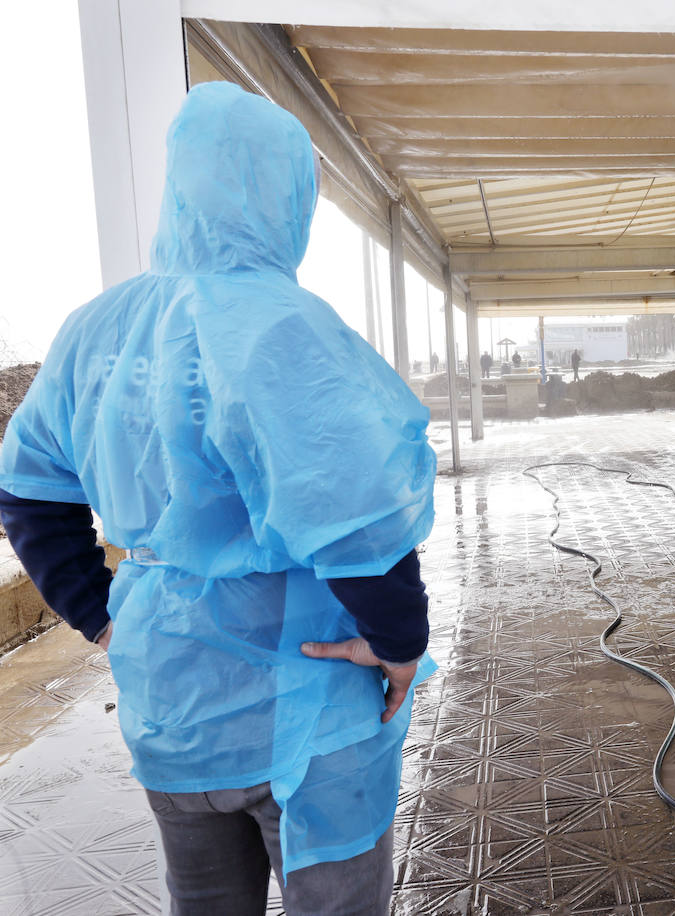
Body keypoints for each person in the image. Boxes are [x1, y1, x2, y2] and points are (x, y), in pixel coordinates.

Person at [0, 82, 436, 913]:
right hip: (312, 709)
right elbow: (359, 519)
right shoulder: (286, 327)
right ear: (282, 197)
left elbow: (27, 489)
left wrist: (104, 617)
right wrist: (398, 642)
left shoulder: (95, 332)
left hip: (174, 705)